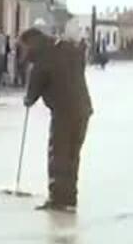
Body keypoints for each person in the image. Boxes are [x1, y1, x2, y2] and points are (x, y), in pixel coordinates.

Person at [19, 27, 93, 212]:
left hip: (64, 111)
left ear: (31, 43)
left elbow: (32, 94)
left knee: (58, 155)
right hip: (83, 108)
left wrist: (28, 99)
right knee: (72, 155)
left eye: (25, 47)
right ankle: (70, 197)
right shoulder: (68, 48)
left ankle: (57, 198)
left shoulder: (43, 59)